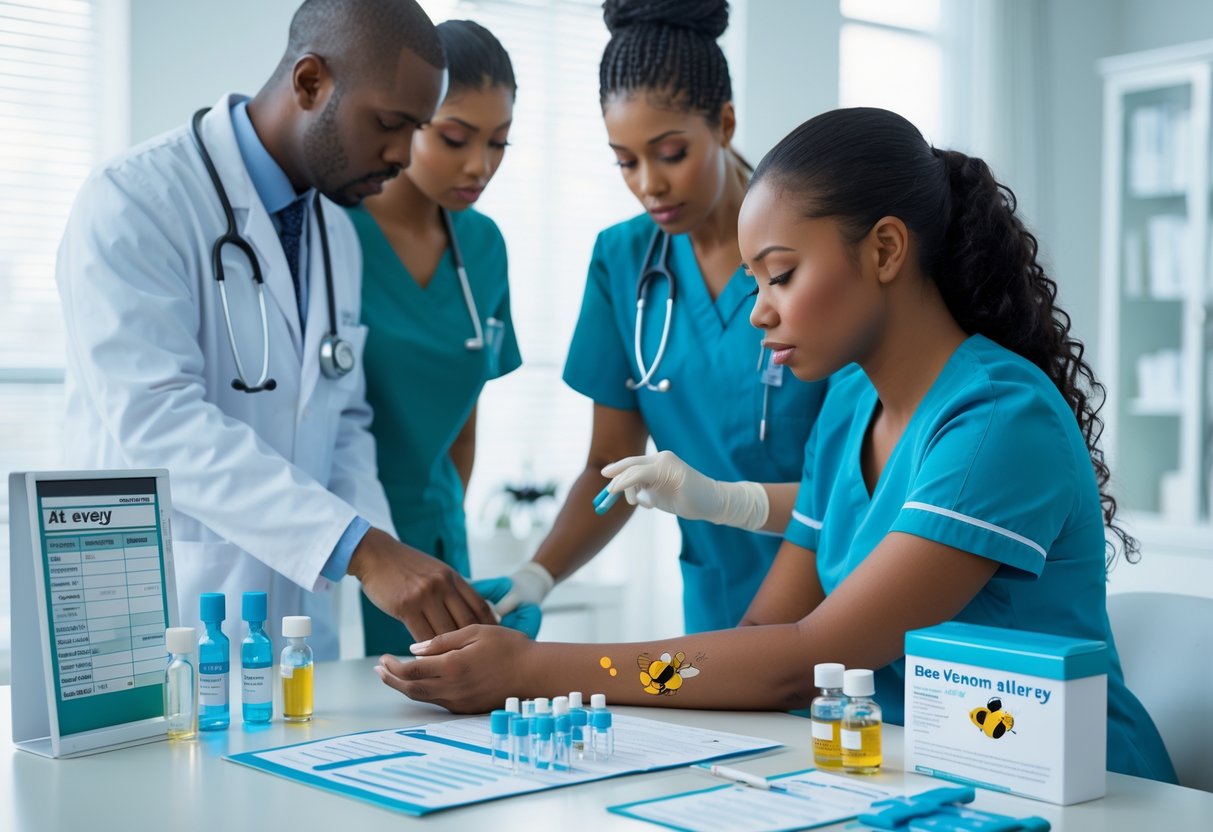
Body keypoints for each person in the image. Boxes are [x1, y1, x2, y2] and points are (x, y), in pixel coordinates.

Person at [375, 107, 1178, 783]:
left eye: (781, 275)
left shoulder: (997, 424)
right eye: (754, 281)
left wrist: (535, 672)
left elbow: (807, 658)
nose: (759, 311)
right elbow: (764, 640)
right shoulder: (850, 403)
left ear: (886, 250)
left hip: (1074, 789)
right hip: (911, 772)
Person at [56, 0, 496, 660]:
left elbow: (344, 420)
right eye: (388, 123)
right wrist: (360, 547)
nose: (404, 155)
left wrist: (382, 555)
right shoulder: (135, 200)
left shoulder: (335, 236)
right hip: (158, 618)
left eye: (417, 130)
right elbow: (157, 422)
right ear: (310, 81)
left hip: (292, 642)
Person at [490, 0, 827, 636]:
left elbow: (862, 480)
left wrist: (747, 655)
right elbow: (609, 466)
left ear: (724, 124)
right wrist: (536, 576)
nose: (649, 184)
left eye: (671, 153)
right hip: (715, 609)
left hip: (835, 604)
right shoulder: (622, 261)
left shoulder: (812, 247)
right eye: (625, 160)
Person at [348, 20, 523, 655]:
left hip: (439, 539)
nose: (479, 165)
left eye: (499, 143)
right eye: (454, 138)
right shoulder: (330, 229)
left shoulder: (484, 245)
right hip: (339, 546)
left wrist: (442, 525)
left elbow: (465, 421)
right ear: (408, 117)